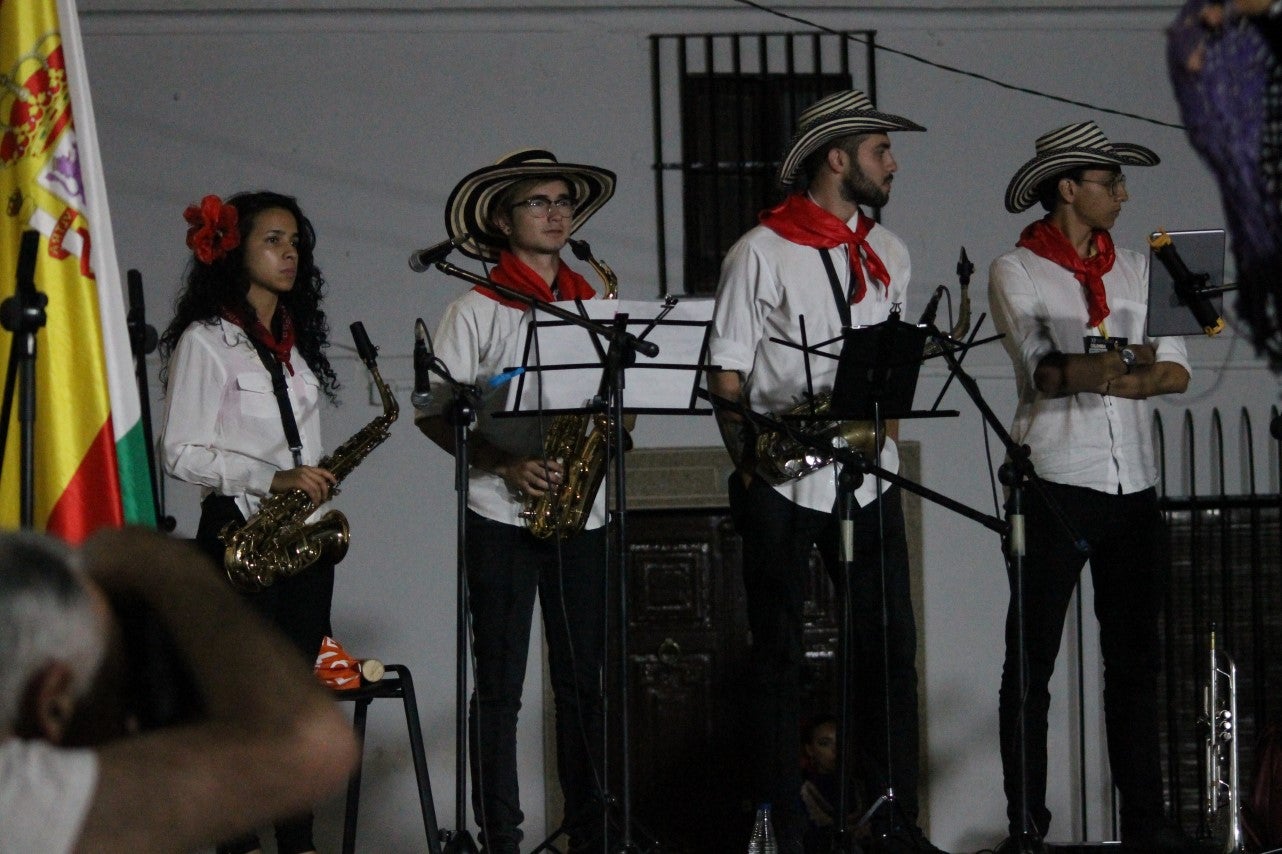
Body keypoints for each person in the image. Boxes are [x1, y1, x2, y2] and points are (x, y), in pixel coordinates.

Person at [708, 89, 944, 854]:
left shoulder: (892, 253)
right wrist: (751, 465)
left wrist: (888, 452)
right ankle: (784, 826)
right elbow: (728, 376)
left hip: (865, 478)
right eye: (882, 150)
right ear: (838, 158)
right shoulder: (759, 251)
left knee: (888, 651)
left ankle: (892, 819)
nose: (893, 163)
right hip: (783, 477)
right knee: (777, 656)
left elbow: (891, 374)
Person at [988, 121, 1194, 852]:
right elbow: (1050, 371)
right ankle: (1025, 827)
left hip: (1133, 481)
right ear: (1068, 187)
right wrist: (1125, 359)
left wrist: (1106, 361)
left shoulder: (1149, 264)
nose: (1124, 194)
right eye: (1110, 182)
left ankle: (1146, 823)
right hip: (1055, 480)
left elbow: (1176, 371)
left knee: (1136, 664)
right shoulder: (1017, 268)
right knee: (1032, 664)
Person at [416, 149, 617, 854]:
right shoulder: (471, 309)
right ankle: (503, 836)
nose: (557, 211)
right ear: (503, 221)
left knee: (584, 686)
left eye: (564, 200)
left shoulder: (597, 305)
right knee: (500, 689)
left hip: (581, 514)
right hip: (499, 514)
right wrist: (508, 462)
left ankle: (591, 832)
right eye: (538, 202)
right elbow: (433, 413)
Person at [158, 190, 341, 854]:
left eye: (296, 242)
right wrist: (270, 479)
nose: (290, 253)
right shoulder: (208, 342)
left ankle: (299, 841)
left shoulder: (296, 346)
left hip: (298, 545)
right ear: (234, 251)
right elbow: (180, 450)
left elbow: (303, 450)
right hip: (238, 540)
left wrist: (317, 504)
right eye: (274, 240)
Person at [0, 526, 358, 854]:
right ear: (54, 705)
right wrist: (157, 558)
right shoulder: (15, 798)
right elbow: (311, 743)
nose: (133, 723)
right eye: (116, 685)